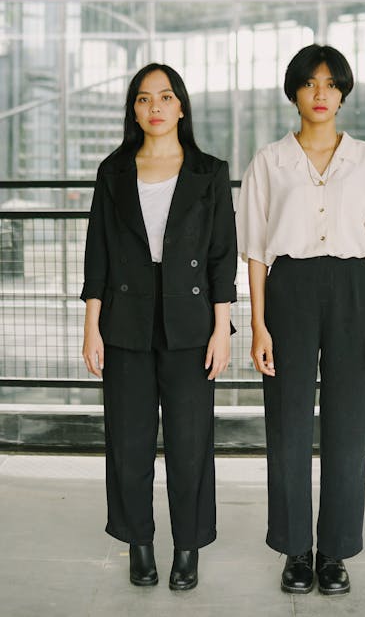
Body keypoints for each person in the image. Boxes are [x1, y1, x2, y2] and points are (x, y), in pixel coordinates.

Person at [236, 44, 365, 596]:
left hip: (354, 289)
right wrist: (258, 325)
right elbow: (256, 252)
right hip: (289, 291)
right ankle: (294, 550)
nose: (321, 93)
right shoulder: (269, 162)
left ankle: (333, 552)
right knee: (287, 425)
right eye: (310, 83)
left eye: (331, 83)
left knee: (348, 425)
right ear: (294, 92)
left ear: (344, 92)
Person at [81, 63, 237, 591]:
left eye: (165, 97)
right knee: (128, 440)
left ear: (181, 107)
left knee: (191, 442)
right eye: (144, 99)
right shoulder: (114, 171)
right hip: (125, 320)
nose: (155, 107)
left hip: (191, 323)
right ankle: (139, 543)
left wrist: (223, 329)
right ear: (134, 109)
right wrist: (90, 325)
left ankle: (188, 547)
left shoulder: (209, 172)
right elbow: (97, 254)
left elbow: (222, 257)